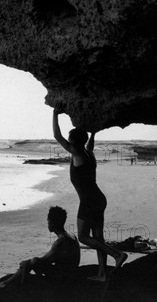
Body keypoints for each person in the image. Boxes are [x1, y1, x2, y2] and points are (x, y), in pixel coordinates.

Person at [52, 106, 127, 281]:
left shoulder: (77, 153)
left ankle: (117, 255)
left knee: (84, 237)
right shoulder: (88, 154)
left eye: (70, 141)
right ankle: (102, 274)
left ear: (73, 142)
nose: (68, 143)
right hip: (99, 199)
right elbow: (89, 146)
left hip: (89, 201)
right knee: (98, 238)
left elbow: (57, 136)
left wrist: (55, 114)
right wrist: (93, 133)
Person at [0, 206, 80, 289]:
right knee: (30, 262)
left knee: (33, 262)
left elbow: (41, 261)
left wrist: (26, 263)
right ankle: (6, 282)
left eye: (48, 221)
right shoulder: (71, 235)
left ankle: (4, 284)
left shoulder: (61, 241)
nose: (48, 224)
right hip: (70, 272)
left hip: (64, 276)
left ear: (52, 222)